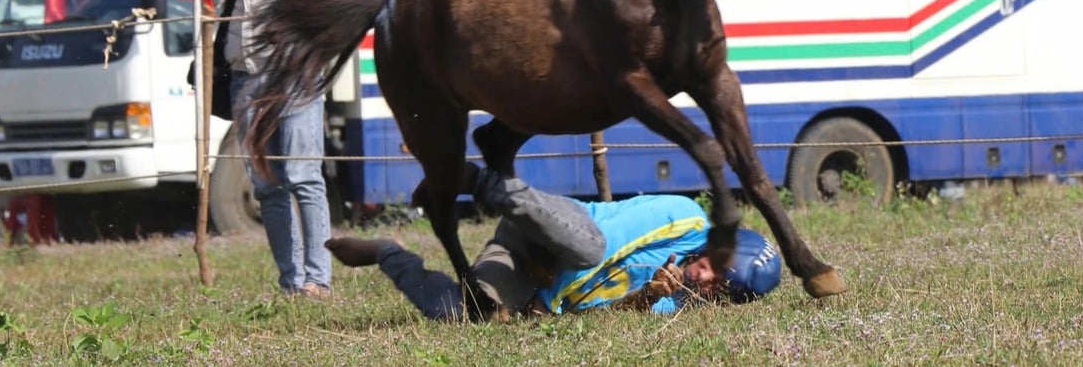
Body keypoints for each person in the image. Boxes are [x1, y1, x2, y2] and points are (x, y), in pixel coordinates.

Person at [325, 163, 782, 321]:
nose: (703, 280)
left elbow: (604, 313)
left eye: (717, 289)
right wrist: (549, 307)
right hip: (551, 233)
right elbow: (614, 245)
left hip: (526, 268)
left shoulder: (676, 301)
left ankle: (386, 252)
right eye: (714, 269)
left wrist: (644, 299)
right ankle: (482, 180)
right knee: (591, 248)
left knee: (463, 315)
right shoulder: (685, 219)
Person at [205, 0, 343, 296]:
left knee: (303, 174)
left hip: (297, 69)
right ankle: (291, 280)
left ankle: (318, 280)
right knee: (266, 186)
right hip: (247, 74)